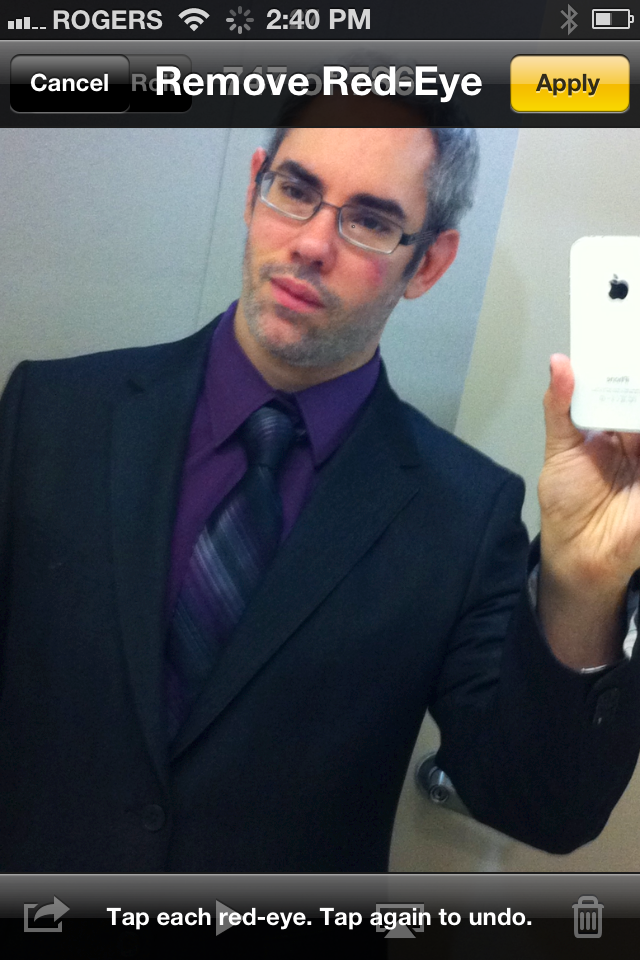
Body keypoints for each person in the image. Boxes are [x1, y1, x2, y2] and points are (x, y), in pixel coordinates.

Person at [1, 113, 640, 873]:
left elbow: (542, 806)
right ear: (253, 189)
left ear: (428, 265)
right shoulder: (53, 414)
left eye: (370, 221)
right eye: (296, 190)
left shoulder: (464, 516)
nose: (310, 243)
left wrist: (585, 586)